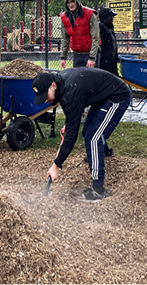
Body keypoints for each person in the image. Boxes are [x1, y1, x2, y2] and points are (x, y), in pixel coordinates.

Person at [34, 67, 130, 202]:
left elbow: (71, 136)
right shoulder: (62, 83)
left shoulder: (69, 93)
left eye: (45, 96)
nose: (45, 100)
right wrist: (69, 124)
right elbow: (76, 110)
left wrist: (56, 165)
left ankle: (98, 191)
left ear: (53, 85)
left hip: (117, 96)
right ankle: (104, 153)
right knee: (87, 132)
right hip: (102, 96)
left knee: (93, 138)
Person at [58, 0, 100, 69]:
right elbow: (65, 38)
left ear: (77, 1)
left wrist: (92, 57)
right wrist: (63, 57)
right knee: (78, 79)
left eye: (72, 1)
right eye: (68, 2)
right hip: (77, 54)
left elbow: (95, 37)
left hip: (90, 53)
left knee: (92, 79)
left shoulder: (90, 14)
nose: (70, 5)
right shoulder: (64, 17)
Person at [94, 7, 119, 76]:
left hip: (111, 59)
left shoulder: (110, 27)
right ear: (106, 17)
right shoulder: (101, 26)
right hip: (104, 59)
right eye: (111, 17)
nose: (112, 19)